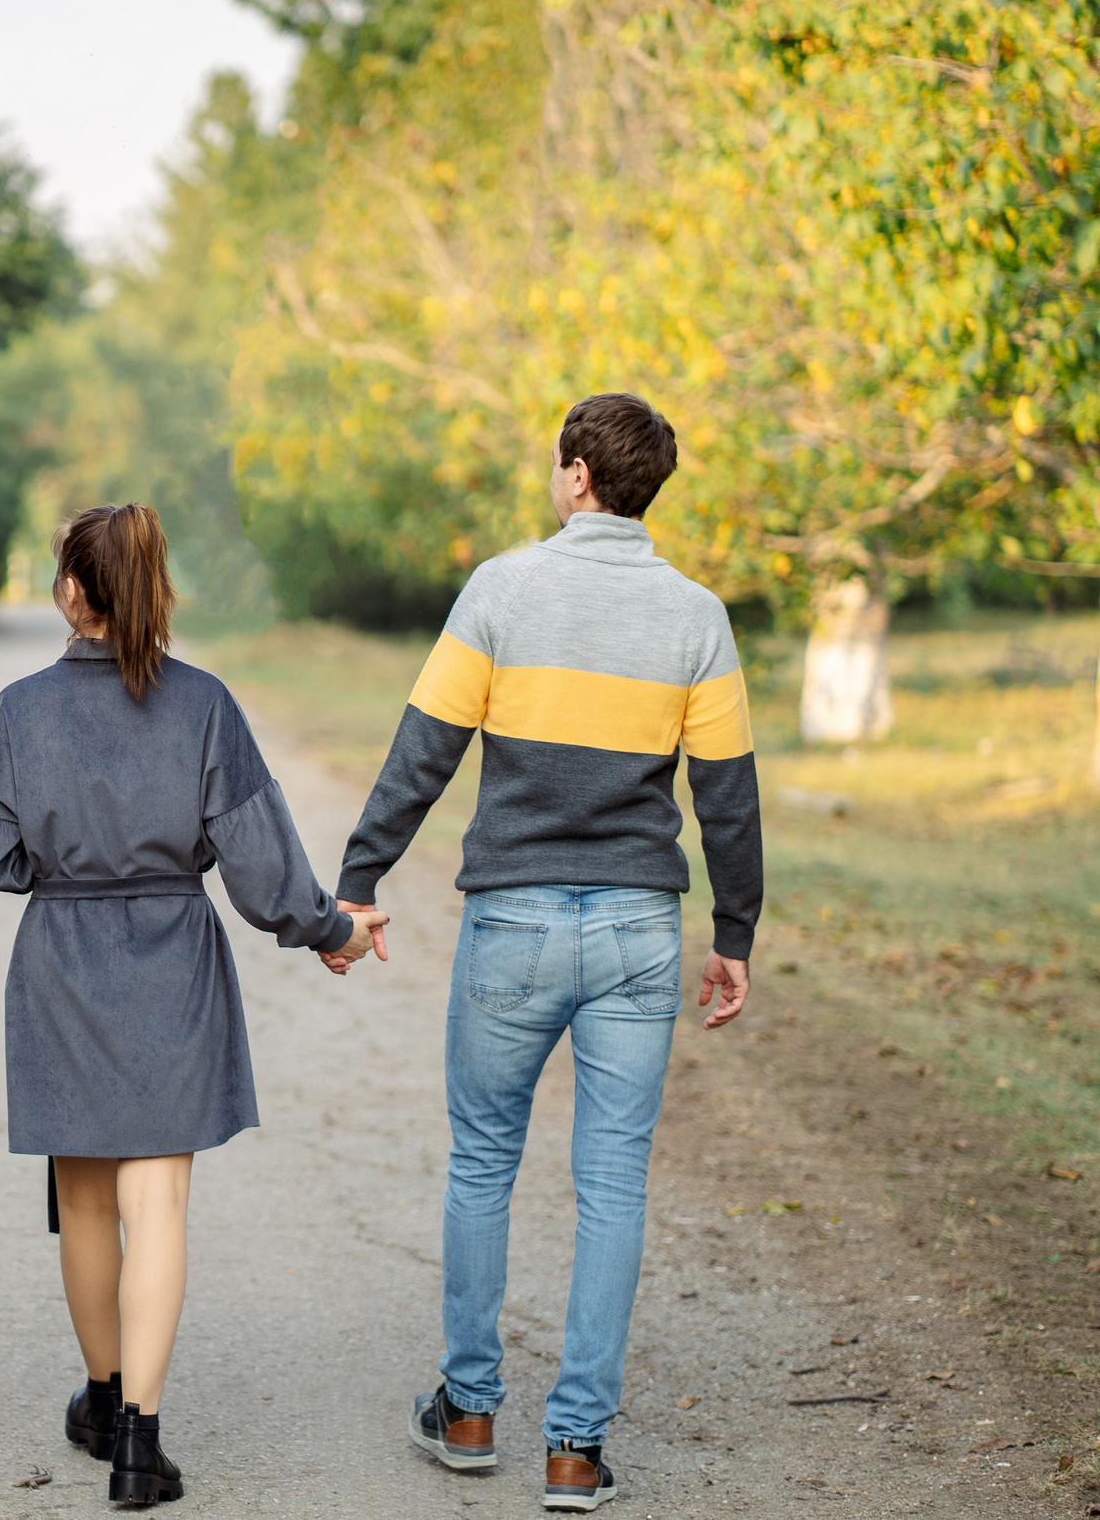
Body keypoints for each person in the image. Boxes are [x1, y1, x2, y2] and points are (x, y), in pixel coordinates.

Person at [334, 394, 762, 1513]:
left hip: (513, 921)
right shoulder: (696, 617)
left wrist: (359, 879)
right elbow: (727, 799)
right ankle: (574, 1450)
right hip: (634, 928)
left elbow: (422, 749)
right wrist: (734, 936)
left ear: (577, 476)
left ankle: (469, 1411)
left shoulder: (502, 590)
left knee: (484, 1161)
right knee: (611, 1183)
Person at [0, 505, 387, 1508]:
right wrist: (334, 932)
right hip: (172, 964)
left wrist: (59, 863)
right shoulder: (203, 707)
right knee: (159, 1205)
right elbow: (261, 867)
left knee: (85, 1202)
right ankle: (140, 1450)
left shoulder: (18, 713)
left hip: (61, 960)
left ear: (70, 590)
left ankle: (102, 1400)